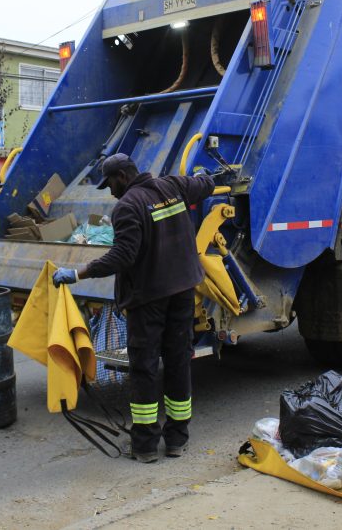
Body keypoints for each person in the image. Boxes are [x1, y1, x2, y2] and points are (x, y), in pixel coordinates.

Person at [52, 153, 215, 463]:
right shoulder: (175, 186)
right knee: (179, 362)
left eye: (110, 184)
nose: (110, 191)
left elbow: (123, 256)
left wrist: (78, 273)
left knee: (145, 367)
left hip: (149, 298)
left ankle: (145, 445)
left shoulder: (127, 206)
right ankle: (178, 439)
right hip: (182, 291)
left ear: (122, 177)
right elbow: (205, 185)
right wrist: (206, 175)